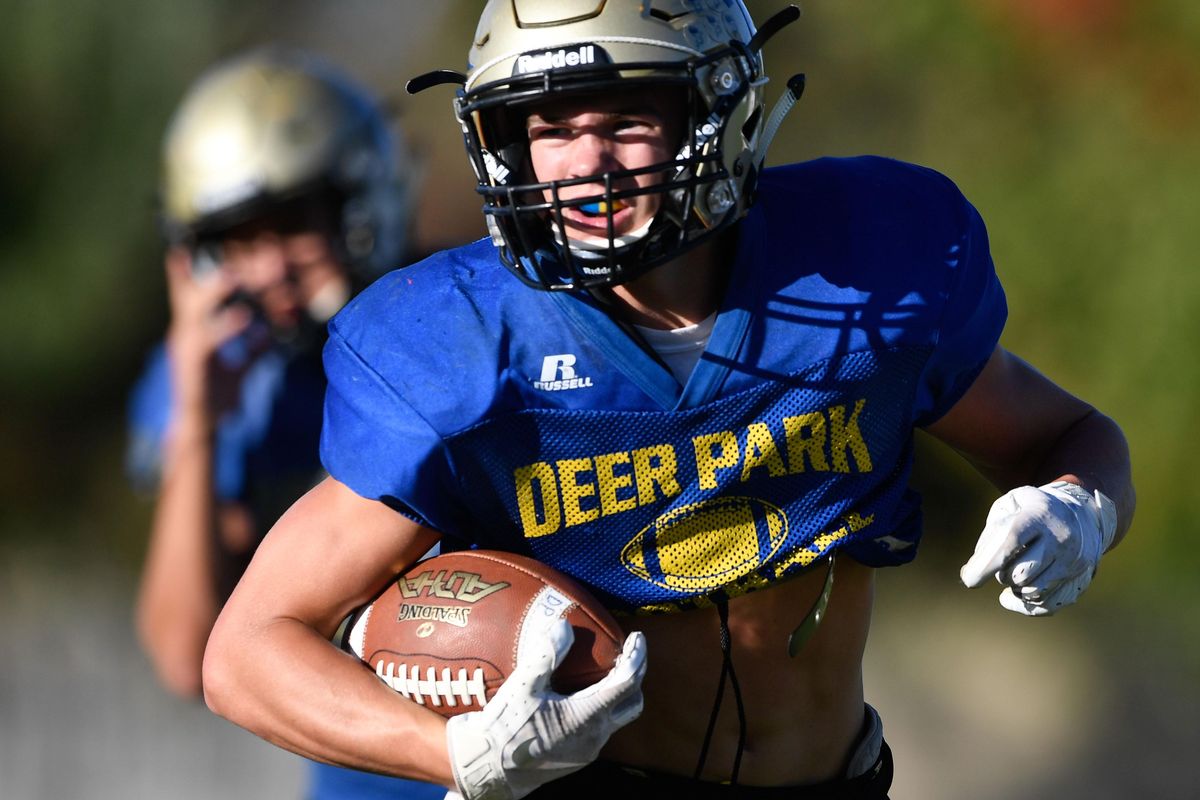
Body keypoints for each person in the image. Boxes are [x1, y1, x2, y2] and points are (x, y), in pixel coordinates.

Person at [201, 3, 1136, 799]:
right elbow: (244, 651)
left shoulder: (859, 282)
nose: (587, 165)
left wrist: (1077, 506)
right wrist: (459, 750)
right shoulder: (466, 351)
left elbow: (1068, 434)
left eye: (625, 118)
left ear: (716, 111)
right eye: (551, 127)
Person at [128, 47, 447, 799]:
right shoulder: (224, 380)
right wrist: (199, 419)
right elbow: (185, 655)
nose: (270, 267)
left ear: (364, 199)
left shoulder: (464, 317)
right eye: (240, 239)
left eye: (295, 221)